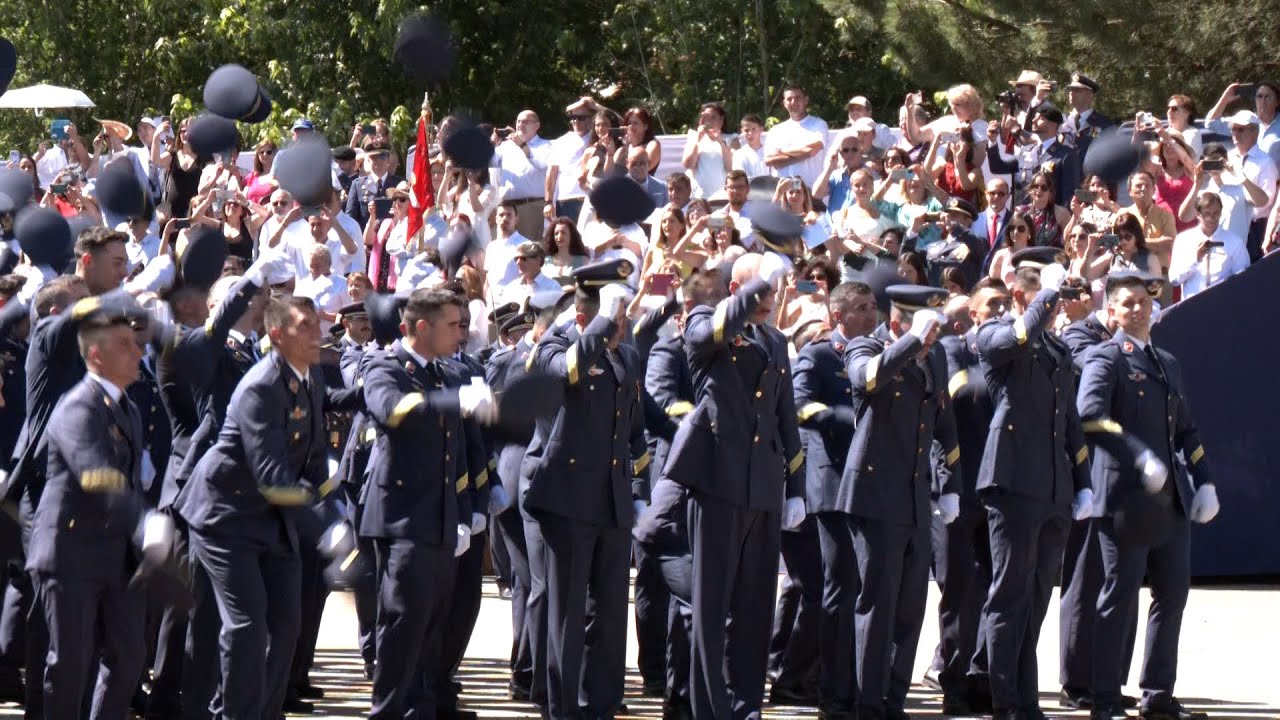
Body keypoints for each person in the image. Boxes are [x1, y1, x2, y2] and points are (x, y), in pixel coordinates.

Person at [177, 296, 358, 719]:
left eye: (318, 324)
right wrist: (326, 524)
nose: (318, 333)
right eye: (306, 326)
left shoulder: (309, 378)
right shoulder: (260, 386)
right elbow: (272, 476)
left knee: (287, 625)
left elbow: (315, 441)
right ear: (277, 335)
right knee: (245, 626)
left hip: (273, 520)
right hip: (226, 517)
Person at [660, 252, 806, 719]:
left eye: (772, 288)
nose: (769, 296)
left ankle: (747, 706)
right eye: (758, 288)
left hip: (762, 485)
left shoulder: (776, 341)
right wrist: (753, 289)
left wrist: (797, 486)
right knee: (711, 605)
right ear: (736, 289)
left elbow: (785, 416)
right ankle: (711, 707)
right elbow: (705, 335)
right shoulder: (709, 322)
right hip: (718, 483)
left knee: (754, 606)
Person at [1077, 271, 1219, 720]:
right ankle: (1104, 698)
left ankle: (1157, 693)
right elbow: (1091, 417)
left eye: (1143, 301)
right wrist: (1138, 456)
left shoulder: (1167, 362)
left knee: (1172, 595)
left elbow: (1187, 428)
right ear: (1113, 311)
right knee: (1118, 599)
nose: (1138, 309)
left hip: (1170, 501)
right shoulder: (1106, 358)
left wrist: (1205, 478)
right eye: (1128, 303)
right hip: (1124, 500)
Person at [26, 292, 170, 719]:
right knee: (69, 663)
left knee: (127, 657)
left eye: (137, 343)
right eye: (124, 344)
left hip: (113, 554)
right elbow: (96, 475)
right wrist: (145, 523)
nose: (137, 352)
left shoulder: (125, 406)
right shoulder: (78, 406)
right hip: (71, 552)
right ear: (96, 354)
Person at [358, 288, 495, 720]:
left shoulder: (440, 373)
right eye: (454, 325)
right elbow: (391, 410)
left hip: (436, 519)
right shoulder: (384, 366)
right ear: (422, 327)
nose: (463, 333)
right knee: (401, 631)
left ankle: (425, 708)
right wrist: (452, 401)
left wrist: (461, 511)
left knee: (434, 627)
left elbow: (451, 454)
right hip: (401, 521)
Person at [523, 261, 650, 718]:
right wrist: (600, 326)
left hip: (612, 500)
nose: (623, 328)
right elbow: (569, 373)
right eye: (616, 319)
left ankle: (601, 702)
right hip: (567, 497)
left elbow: (635, 430)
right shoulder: (553, 346)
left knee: (611, 612)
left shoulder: (627, 356)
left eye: (622, 319)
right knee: (568, 612)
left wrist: (638, 490)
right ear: (585, 318)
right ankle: (563, 707)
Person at [974, 247, 1093, 720]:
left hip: (1053, 489)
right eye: (1049, 296)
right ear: (1020, 295)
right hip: (1012, 482)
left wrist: (1082, 481)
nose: (1058, 304)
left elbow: (1070, 423)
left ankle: (1026, 698)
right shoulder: (995, 336)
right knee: (1008, 594)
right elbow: (1019, 334)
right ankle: (1004, 700)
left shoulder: (1060, 351)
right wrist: (1046, 291)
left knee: (1038, 596)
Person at [840, 285, 961, 720]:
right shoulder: (865, 345)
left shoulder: (937, 357)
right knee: (877, 604)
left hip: (915, 494)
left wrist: (951, 483)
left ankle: (893, 699)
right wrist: (910, 343)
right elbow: (867, 378)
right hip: (874, 494)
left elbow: (943, 420)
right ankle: (868, 703)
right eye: (922, 330)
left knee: (910, 605)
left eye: (932, 333)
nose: (930, 341)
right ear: (897, 323)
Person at [792, 281, 875, 718]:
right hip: (832, 481)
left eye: (873, 306)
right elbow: (799, 404)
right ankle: (832, 691)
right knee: (839, 589)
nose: (871, 314)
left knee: (865, 590)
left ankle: (858, 685)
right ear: (839, 316)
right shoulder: (821, 354)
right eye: (861, 308)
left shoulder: (880, 353)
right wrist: (840, 417)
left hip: (869, 487)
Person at [926, 288, 1005, 714]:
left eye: (1005, 302)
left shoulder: (1010, 351)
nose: (1001, 309)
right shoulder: (951, 349)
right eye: (991, 304)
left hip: (999, 488)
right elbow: (959, 395)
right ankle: (953, 681)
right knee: (960, 590)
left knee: (999, 588)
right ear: (970, 316)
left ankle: (984, 677)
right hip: (958, 485)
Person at [1169, 192, 1250, 299]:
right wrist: (1196, 259)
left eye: (1216, 213)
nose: (1211, 218)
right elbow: (1174, 280)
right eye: (1207, 214)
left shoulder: (1235, 242)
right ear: (1198, 214)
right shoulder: (1183, 240)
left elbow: (1244, 279)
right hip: (1191, 306)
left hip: (1223, 303)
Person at [493, 110, 553, 240]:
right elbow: (488, 162)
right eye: (518, 121)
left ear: (537, 125)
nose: (520, 125)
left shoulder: (545, 145)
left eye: (526, 121)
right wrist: (491, 145)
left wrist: (521, 145)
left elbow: (540, 164)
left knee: (529, 252)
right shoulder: (505, 146)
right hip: (507, 208)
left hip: (530, 207)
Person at [544, 97, 598, 223]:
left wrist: (596, 106)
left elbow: (619, 122)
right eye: (573, 118)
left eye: (581, 118)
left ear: (591, 119)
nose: (576, 121)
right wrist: (548, 202)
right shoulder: (561, 142)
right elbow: (551, 174)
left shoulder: (597, 138)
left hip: (589, 199)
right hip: (565, 201)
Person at [765, 85, 830, 189]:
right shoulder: (776, 130)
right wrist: (803, 153)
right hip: (783, 192)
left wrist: (781, 153)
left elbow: (813, 150)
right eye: (789, 99)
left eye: (797, 98)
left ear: (806, 100)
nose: (793, 102)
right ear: (784, 103)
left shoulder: (818, 124)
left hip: (810, 192)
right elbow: (769, 160)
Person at [682, 102, 733, 199]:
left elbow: (731, 167)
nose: (709, 122)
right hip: (697, 196)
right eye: (705, 117)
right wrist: (698, 139)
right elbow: (688, 164)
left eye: (713, 118)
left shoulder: (730, 139)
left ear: (721, 120)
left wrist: (720, 142)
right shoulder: (694, 137)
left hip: (722, 196)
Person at [1062, 73, 1114, 159]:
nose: (1071, 93)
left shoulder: (1104, 123)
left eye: (1077, 90)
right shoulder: (1060, 120)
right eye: (1071, 89)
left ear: (1090, 96)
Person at [732, 114, 768, 179]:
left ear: (761, 129)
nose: (750, 133)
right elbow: (739, 177)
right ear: (742, 131)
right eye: (746, 130)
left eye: (753, 129)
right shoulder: (739, 154)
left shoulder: (769, 151)